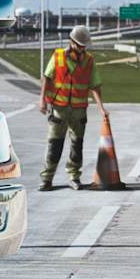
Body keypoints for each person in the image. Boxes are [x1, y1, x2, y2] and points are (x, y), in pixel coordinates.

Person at [38, 24, 106, 191]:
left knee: (77, 146)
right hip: (59, 109)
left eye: (84, 46)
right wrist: (42, 101)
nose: (82, 49)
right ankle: (47, 178)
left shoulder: (89, 61)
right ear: (72, 42)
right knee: (54, 145)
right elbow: (47, 78)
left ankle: (74, 177)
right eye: (79, 45)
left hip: (78, 110)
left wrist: (101, 108)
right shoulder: (58, 56)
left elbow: (95, 86)